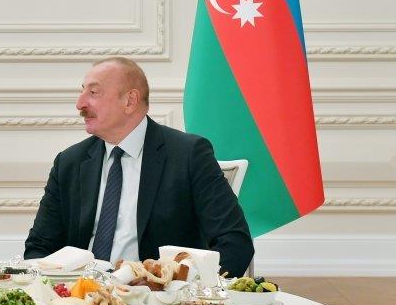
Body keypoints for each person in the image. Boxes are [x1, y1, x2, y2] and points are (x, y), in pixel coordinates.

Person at [24, 57, 253, 277]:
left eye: (93, 92)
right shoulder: (70, 162)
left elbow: (234, 242)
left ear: (130, 100)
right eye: (82, 91)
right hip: (82, 295)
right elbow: (39, 248)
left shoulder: (188, 155)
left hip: (157, 296)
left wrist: (186, 288)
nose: (80, 104)